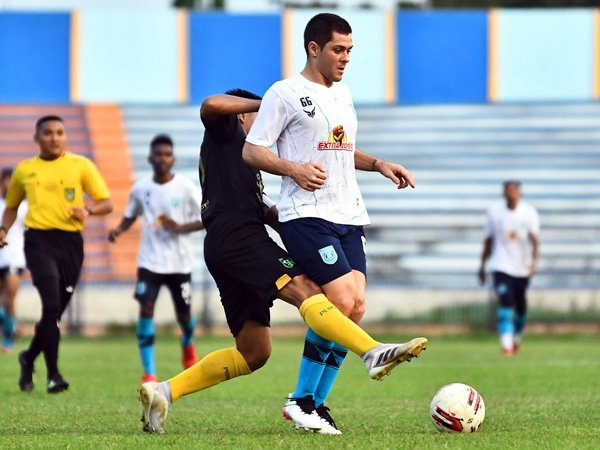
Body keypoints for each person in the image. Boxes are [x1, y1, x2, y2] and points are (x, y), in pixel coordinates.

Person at [137, 90, 427, 435]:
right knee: (307, 289)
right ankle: (371, 352)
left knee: (254, 352)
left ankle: (165, 391)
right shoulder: (225, 131)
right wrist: (268, 102)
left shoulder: (241, 162)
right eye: (259, 117)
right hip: (239, 240)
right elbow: (210, 105)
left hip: (226, 243)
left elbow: (266, 210)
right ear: (242, 115)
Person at [242, 13, 417, 433]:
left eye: (350, 51)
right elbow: (252, 150)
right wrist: (293, 169)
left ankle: (315, 404)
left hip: (348, 213)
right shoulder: (284, 93)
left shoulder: (343, 94)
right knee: (338, 300)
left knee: (354, 307)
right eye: (338, 50)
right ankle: (299, 398)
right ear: (314, 48)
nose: (345, 59)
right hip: (306, 213)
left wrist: (378, 164)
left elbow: (340, 149)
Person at [0, 115, 113, 393]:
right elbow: (12, 206)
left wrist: (86, 210)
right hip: (38, 241)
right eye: (48, 133)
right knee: (51, 306)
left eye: (60, 132)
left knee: (55, 312)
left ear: (65, 136)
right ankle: (54, 374)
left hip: (71, 243)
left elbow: (106, 203)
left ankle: (28, 357)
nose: (55, 137)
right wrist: (3, 229)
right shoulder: (25, 170)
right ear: (37, 138)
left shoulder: (81, 165)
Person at [108, 134, 204, 383]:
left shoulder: (185, 187)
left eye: (167, 154)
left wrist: (180, 228)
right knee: (146, 308)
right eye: (158, 154)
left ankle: (187, 342)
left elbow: (206, 217)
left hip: (179, 262)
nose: (162, 158)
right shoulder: (141, 188)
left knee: (184, 315)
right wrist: (119, 229)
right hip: (149, 261)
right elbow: (131, 214)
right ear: (150, 157)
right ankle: (149, 371)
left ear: (173, 158)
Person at [478, 180, 540, 356]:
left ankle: (516, 337)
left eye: (514, 190)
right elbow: (488, 241)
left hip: (522, 267)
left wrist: (534, 262)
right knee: (505, 301)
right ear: (503, 193)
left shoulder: (529, 213)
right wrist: (482, 266)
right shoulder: (494, 212)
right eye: (508, 190)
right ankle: (506, 345)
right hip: (501, 265)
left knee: (520, 306)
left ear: (520, 193)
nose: (511, 193)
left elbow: (534, 240)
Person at [0, 168, 27, 352]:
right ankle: (13, 325)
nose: (9, 184)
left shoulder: (25, 206)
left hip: (16, 258)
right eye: (6, 180)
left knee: (9, 298)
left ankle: (8, 340)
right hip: (0, 258)